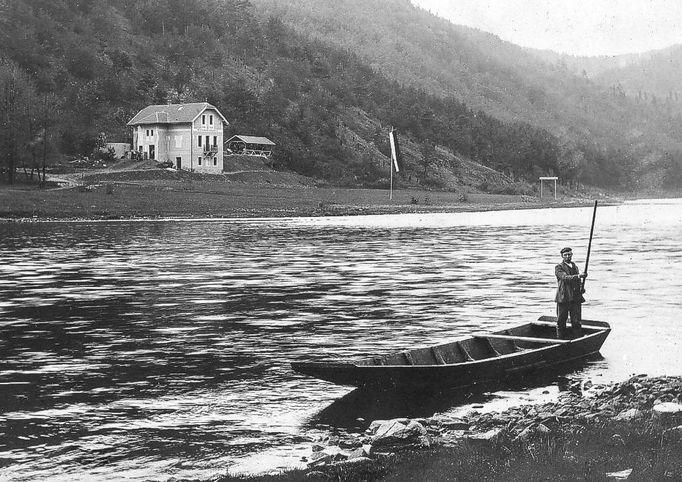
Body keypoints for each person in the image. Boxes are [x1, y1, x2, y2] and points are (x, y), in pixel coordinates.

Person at [554, 247, 587, 338]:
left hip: (575, 298)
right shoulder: (559, 268)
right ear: (562, 256)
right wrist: (579, 276)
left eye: (569, 254)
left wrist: (581, 288)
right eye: (565, 255)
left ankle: (577, 339)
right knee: (561, 320)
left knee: (576, 321)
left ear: (572, 255)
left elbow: (577, 282)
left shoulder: (574, 266)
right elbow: (565, 278)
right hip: (563, 298)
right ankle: (560, 340)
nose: (568, 256)